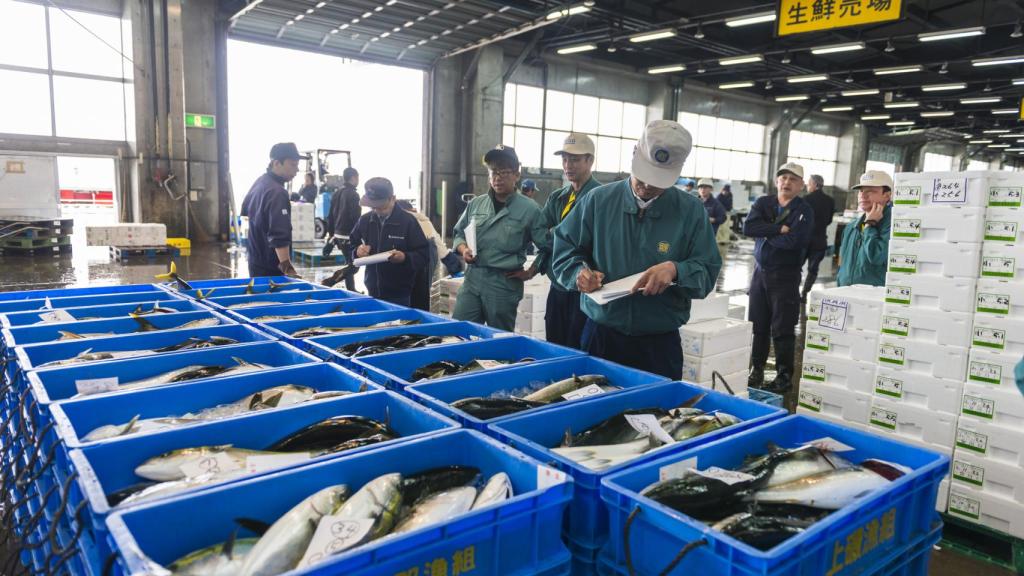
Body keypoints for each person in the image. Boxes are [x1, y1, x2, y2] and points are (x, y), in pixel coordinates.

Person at [552, 120, 721, 380]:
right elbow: (565, 249)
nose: (647, 185)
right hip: (601, 336)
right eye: (643, 175)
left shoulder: (691, 212)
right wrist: (578, 272)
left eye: (658, 180)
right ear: (634, 154)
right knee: (596, 413)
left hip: (659, 344)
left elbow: (707, 272)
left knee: (657, 414)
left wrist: (677, 270)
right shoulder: (598, 201)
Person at [452, 145, 549, 331]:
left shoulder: (530, 210)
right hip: (472, 279)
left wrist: (531, 271)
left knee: (499, 338)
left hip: (503, 284)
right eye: (493, 171)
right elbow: (458, 233)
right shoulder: (476, 204)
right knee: (459, 331)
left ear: (516, 175)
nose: (497, 177)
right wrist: (463, 249)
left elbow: (547, 247)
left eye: (504, 172)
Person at [743, 162, 815, 393]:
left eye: (793, 179)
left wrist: (765, 232)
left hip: (785, 276)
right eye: (783, 178)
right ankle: (757, 370)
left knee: (782, 328)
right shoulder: (764, 203)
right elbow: (748, 228)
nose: (786, 182)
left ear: (801, 185)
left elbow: (795, 242)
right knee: (758, 324)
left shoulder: (804, 210)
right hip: (759, 274)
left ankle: (784, 378)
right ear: (776, 181)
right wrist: (778, 229)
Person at [537, 133, 601, 349]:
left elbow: (592, 244)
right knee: (554, 344)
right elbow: (539, 234)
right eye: (564, 159)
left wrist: (556, 233)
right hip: (557, 284)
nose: (568, 165)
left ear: (590, 160)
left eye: (574, 159)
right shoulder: (557, 197)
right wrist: (563, 237)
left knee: (578, 347)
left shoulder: (601, 198)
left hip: (584, 288)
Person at [346, 178, 429, 307]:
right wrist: (357, 251)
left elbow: (424, 255)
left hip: (400, 294)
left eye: (381, 206)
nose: (378, 210)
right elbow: (351, 243)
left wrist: (405, 258)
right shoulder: (365, 221)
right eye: (374, 207)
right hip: (372, 291)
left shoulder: (408, 222)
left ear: (393, 199)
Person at [240, 142, 304, 278]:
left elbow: (246, 211)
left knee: (261, 299)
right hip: (271, 269)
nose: (297, 170)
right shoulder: (277, 192)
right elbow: (279, 233)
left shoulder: (260, 183)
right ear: (276, 163)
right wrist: (287, 268)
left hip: (256, 261)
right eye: (293, 165)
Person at [397, 199, 462, 311]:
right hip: (422, 267)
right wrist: (455, 268)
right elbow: (440, 246)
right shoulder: (422, 220)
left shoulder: (411, 220)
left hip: (407, 267)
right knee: (420, 298)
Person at [837, 170, 893, 287]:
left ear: (887, 195)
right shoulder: (852, 227)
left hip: (872, 298)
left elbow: (877, 257)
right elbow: (842, 264)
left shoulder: (894, 225)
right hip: (845, 293)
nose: (863, 195)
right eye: (861, 191)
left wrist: (869, 225)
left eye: (871, 191)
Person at [324, 167, 362, 291]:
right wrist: (360, 236)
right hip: (348, 235)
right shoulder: (354, 195)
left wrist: (331, 234)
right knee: (355, 265)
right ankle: (331, 281)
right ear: (354, 178)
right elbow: (355, 217)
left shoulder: (337, 192)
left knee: (349, 262)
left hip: (338, 234)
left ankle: (351, 289)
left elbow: (330, 215)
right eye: (357, 178)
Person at [802, 174, 835, 299]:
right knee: (813, 269)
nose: (807, 186)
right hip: (820, 240)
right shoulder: (830, 200)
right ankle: (804, 293)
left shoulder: (806, 199)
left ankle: (793, 291)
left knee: (796, 266)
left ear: (815, 185)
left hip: (804, 240)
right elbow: (829, 220)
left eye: (809, 183)